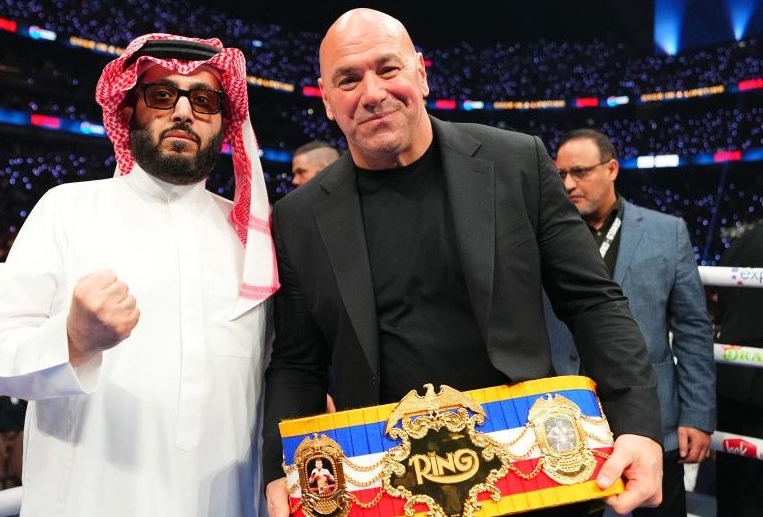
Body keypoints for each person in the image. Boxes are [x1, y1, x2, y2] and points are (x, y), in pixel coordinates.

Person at [262, 9, 663, 517]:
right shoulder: (298, 218)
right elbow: (297, 362)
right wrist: (281, 469)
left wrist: (638, 426)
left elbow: (593, 303)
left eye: (388, 69)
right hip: (388, 493)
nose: (372, 92)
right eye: (349, 80)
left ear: (421, 73)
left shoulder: (516, 162)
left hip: (530, 478)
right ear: (326, 98)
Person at [0, 33, 278, 516]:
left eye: (204, 100)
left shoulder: (251, 238)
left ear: (224, 122)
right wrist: (72, 340)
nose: (184, 112)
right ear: (129, 109)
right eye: (162, 95)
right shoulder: (68, 209)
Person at [546, 129, 715, 517]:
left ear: (611, 169)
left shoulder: (667, 232)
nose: (568, 184)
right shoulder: (545, 234)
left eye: (580, 172)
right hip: (565, 422)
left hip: (651, 416)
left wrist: (697, 414)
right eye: (561, 174)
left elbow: (692, 328)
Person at [714, 222, 763, 517]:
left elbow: (718, 294)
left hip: (730, 374)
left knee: (732, 483)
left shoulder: (746, 239)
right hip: (752, 380)